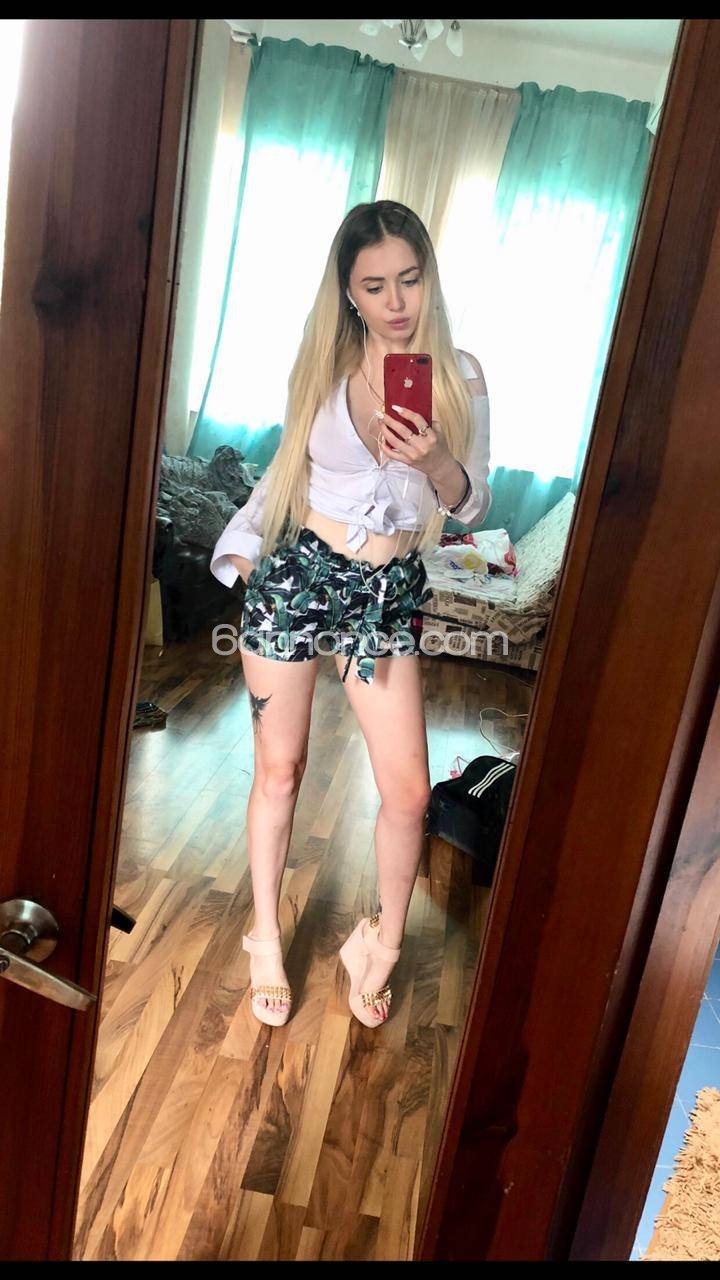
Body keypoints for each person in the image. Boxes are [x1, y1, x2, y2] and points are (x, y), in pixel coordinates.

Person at [210, 200, 491, 1028]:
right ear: (349, 293)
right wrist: (247, 551)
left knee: (409, 793)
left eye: (410, 278)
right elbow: (285, 466)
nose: (396, 301)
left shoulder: (461, 376)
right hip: (299, 574)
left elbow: (474, 505)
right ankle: (265, 936)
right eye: (375, 286)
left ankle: (381, 944)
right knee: (280, 770)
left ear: (429, 278)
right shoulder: (327, 367)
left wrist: (437, 461)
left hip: (386, 593)